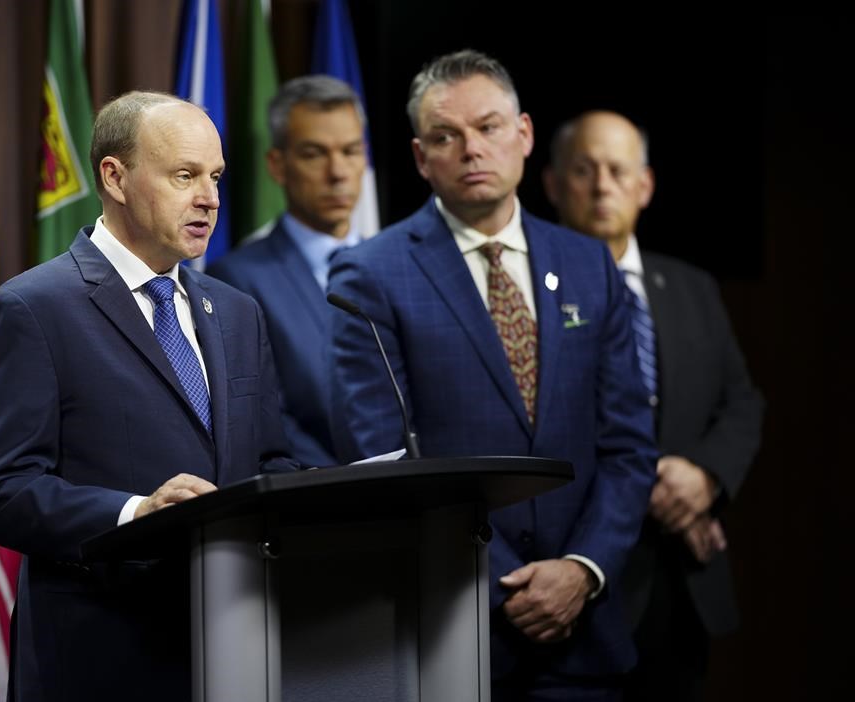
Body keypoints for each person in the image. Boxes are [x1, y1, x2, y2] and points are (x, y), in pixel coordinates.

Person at [328, 50, 657, 699]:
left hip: (584, 633)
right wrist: (506, 585)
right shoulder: (370, 274)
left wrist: (581, 569)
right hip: (454, 630)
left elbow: (629, 447)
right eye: (446, 136)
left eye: (488, 127)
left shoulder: (589, 265)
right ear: (422, 158)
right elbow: (382, 460)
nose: (471, 149)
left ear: (525, 135)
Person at [0, 91, 296, 701]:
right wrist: (135, 513)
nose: (210, 198)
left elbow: (268, 461)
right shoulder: (31, 310)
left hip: (237, 650)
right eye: (184, 176)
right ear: (114, 177)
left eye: (216, 177)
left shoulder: (238, 313)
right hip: (102, 659)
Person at [543, 110, 764, 702]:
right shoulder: (530, 294)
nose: (602, 185)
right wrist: (659, 492)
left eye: (618, 170)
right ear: (553, 184)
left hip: (683, 583)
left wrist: (704, 477)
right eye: (584, 170)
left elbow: (741, 402)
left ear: (645, 187)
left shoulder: (693, 287)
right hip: (583, 575)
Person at [207, 75, 368, 467]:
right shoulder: (236, 280)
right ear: (277, 165)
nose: (338, 172)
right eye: (315, 153)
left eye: (351, 151)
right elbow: (264, 415)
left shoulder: (394, 264)